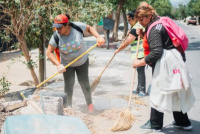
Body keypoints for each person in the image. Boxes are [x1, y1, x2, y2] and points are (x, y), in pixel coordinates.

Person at [133, 2, 194, 132]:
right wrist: (144, 34)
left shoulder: (154, 28)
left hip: (166, 63)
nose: (140, 23)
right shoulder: (160, 22)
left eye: (141, 19)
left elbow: (156, 52)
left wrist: (140, 62)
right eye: (138, 20)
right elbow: (162, 40)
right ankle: (183, 122)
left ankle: (155, 123)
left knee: (158, 90)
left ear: (149, 15)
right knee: (174, 90)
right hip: (174, 60)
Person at [46, 14, 105, 113]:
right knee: (69, 85)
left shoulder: (77, 27)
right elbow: (49, 52)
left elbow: (89, 28)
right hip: (67, 65)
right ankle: (68, 107)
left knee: (84, 83)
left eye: (60, 27)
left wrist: (98, 37)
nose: (57, 29)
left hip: (82, 61)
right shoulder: (56, 35)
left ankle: (90, 104)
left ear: (67, 25)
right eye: (56, 27)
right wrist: (58, 65)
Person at [114, 10, 146, 97]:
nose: (128, 22)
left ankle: (142, 90)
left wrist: (118, 49)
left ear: (134, 18)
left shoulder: (137, 27)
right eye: (127, 20)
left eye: (129, 20)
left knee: (140, 71)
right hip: (139, 53)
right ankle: (139, 88)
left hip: (140, 53)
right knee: (139, 70)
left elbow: (128, 42)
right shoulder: (135, 26)